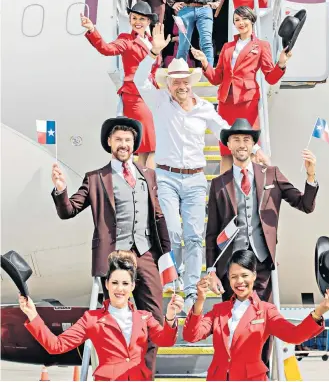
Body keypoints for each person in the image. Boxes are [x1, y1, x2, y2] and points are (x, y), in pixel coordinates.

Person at [133, 25, 268, 313]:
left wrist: (254, 150)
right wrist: (154, 52)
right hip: (167, 176)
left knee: (194, 235)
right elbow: (136, 80)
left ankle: (192, 288)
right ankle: (173, 279)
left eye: (184, 81)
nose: (180, 86)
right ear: (168, 84)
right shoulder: (160, 102)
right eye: (175, 81)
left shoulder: (204, 108)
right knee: (171, 230)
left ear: (190, 83)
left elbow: (226, 130)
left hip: (194, 179)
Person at [51, 117, 171, 374]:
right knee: (113, 323)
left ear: (134, 144)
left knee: (154, 319)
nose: (124, 144)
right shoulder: (96, 178)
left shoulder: (147, 175)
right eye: (119, 140)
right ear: (109, 142)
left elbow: (158, 215)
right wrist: (61, 190)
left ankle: (143, 375)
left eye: (128, 140)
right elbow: (69, 211)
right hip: (114, 258)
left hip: (146, 253)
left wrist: (167, 255)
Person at [20, 251, 184, 381]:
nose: (120, 289)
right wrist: (33, 315)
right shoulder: (92, 319)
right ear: (106, 284)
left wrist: (169, 317)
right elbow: (56, 345)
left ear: (133, 286)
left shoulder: (144, 317)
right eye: (114, 283)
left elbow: (166, 341)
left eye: (125, 283)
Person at [205, 118, 318, 305]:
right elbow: (211, 232)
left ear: (253, 144)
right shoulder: (218, 183)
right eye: (237, 139)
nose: (242, 145)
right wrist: (211, 270)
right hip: (231, 268)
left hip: (262, 264)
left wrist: (311, 175)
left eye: (246, 140)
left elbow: (304, 205)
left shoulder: (271, 174)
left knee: (265, 322)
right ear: (228, 144)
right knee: (235, 324)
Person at [183, 250, 329, 381]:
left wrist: (318, 313)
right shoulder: (219, 310)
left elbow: (294, 335)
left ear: (254, 275)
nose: (240, 281)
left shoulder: (266, 311)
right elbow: (191, 336)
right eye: (234, 276)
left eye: (244, 275)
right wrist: (200, 301)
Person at [192, 6, 291, 173]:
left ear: (251, 20)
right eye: (236, 20)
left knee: (247, 147)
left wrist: (281, 64)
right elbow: (217, 78)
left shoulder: (261, 46)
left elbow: (270, 77)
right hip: (226, 102)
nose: (240, 23)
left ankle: (248, 189)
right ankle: (225, 194)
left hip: (247, 101)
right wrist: (204, 62)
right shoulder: (227, 47)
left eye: (244, 18)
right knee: (226, 150)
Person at [81, 1, 160, 168]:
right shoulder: (126, 40)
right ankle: (147, 186)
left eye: (142, 19)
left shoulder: (153, 41)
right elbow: (107, 49)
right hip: (135, 95)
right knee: (148, 145)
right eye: (134, 18)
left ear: (148, 22)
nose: (138, 22)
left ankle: (146, 184)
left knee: (149, 146)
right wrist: (92, 30)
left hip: (150, 94)